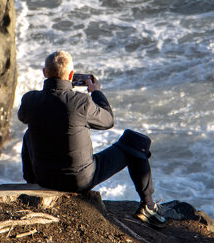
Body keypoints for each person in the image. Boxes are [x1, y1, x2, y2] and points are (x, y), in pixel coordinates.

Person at [18, 50, 166, 229]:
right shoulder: (82, 101)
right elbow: (108, 121)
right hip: (80, 180)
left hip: (43, 178)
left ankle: (31, 184)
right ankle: (149, 206)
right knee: (136, 141)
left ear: (44, 72)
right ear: (71, 75)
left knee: (29, 133)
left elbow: (24, 117)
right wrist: (96, 92)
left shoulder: (29, 100)